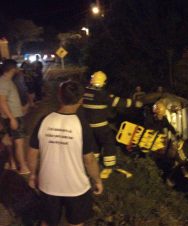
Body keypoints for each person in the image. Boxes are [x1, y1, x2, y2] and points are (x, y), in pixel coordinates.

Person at [27, 80, 103, 226]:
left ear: (59, 96)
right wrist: (97, 180)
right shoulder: (81, 125)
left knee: (48, 222)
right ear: (81, 99)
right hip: (76, 187)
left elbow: (32, 153)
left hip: (48, 184)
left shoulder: (44, 120)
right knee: (76, 222)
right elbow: (89, 160)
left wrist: (33, 175)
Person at [83, 71, 142, 179]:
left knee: (94, 143)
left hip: (88, 126)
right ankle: (109, 165)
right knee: (108, 142)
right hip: (100, 125)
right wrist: (135, 103)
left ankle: (93, 161)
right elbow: (118, 102)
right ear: (103, 82)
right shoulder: (102, 94)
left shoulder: (85, 92)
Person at [0, 59, 30, 174]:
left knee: (9, 141)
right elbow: (2, 101)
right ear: (12, 69)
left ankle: (12, 163)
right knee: (19, 142)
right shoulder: (4, 82)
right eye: (16, 67)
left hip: (10, 116)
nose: (18, 69)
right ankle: (22, 166)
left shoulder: (5, 81)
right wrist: (12, 118)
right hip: (13, 117)